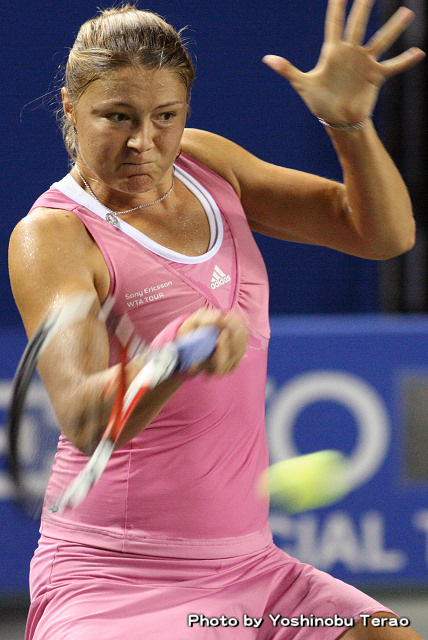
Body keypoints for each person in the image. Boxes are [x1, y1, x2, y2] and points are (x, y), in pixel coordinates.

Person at [8, 2, 425, 639]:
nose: (143, 142)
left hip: (255, 572)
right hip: (116, 578)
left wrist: (349, 126)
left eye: (165, 116)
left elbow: (382, 234)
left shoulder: (208, 165)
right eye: (117, 117)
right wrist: (176, 353)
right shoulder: (53, 236)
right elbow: (86, 419)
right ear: (70, 107)